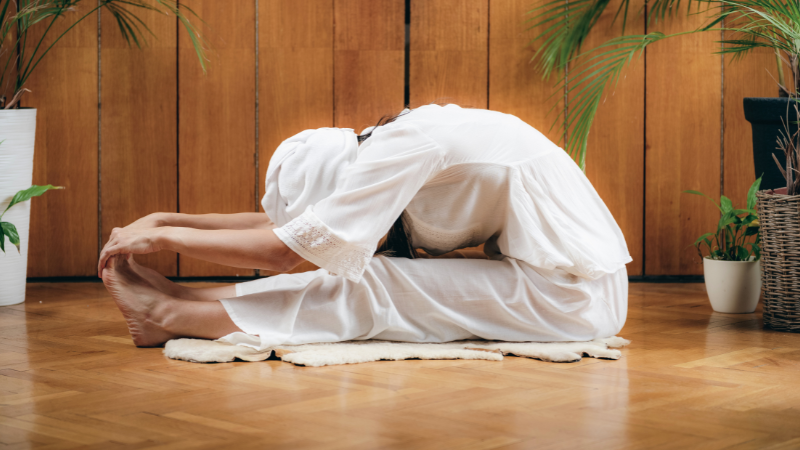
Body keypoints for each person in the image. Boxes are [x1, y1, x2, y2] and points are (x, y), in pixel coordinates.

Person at [98, 104, 631, 348]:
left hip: (576, 298)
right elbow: (288, 230)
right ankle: (194, 299)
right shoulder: (395, 143)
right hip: (555, 286)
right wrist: (171, 220)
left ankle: (171, 313)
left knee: (375, 281)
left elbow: (286, 250)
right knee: (357, 269)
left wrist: (165, 239)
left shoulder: (406, 149)